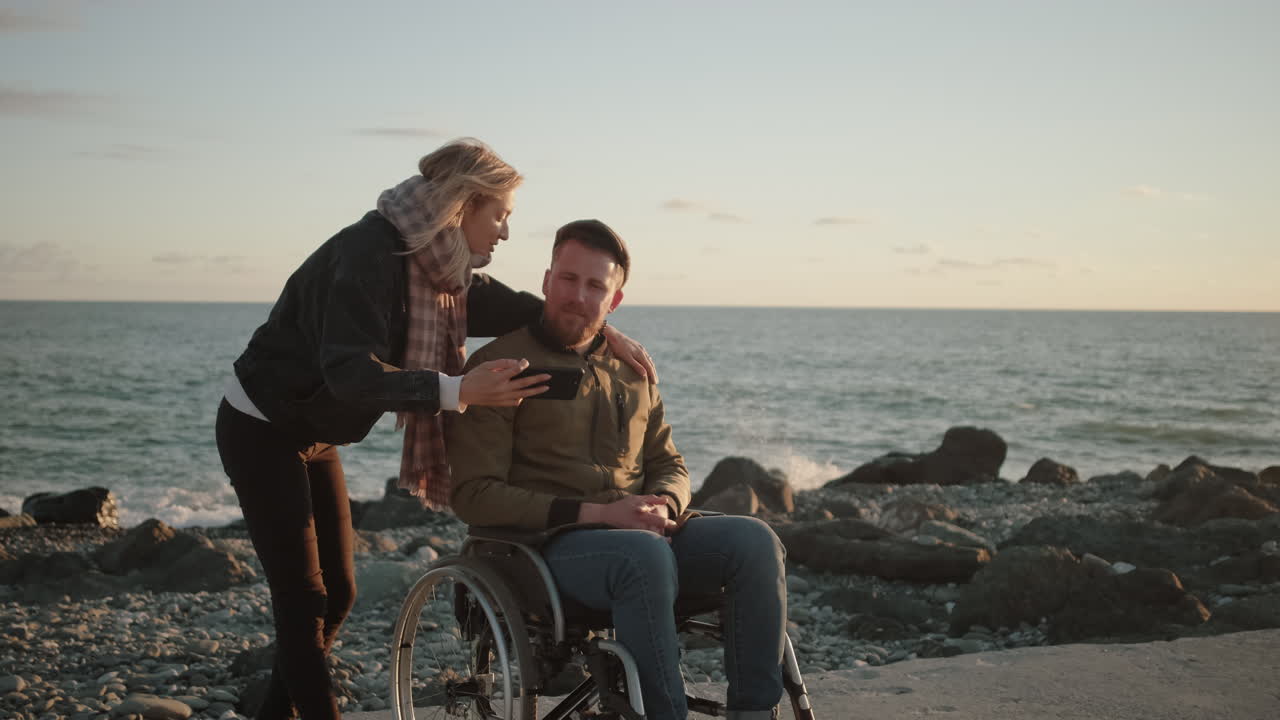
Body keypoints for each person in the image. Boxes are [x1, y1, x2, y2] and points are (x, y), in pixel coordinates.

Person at [214, 140, 657, 720]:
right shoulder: (369, 254)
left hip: (314, 430)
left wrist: (599, 329)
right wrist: (458, 392)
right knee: (304, 599)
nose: (503, 232)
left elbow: (512, 308)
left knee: (339, 593)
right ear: (464, 204)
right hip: (261, 425)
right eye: (499, 215)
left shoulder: (435, 263)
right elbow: (348, 373)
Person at [447, 219, 788, 720]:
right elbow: (473, 495)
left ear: (615, 300)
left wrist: (663, 503)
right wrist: (599, 515)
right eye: (567, 279)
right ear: (545, 281)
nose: (577, 296)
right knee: (640, 555)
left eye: (595, 286)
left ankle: (755, 712)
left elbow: (668, 462)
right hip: (541, 551)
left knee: (755, 542)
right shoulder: (501, 366)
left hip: (641, 535)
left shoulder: (632, 370)